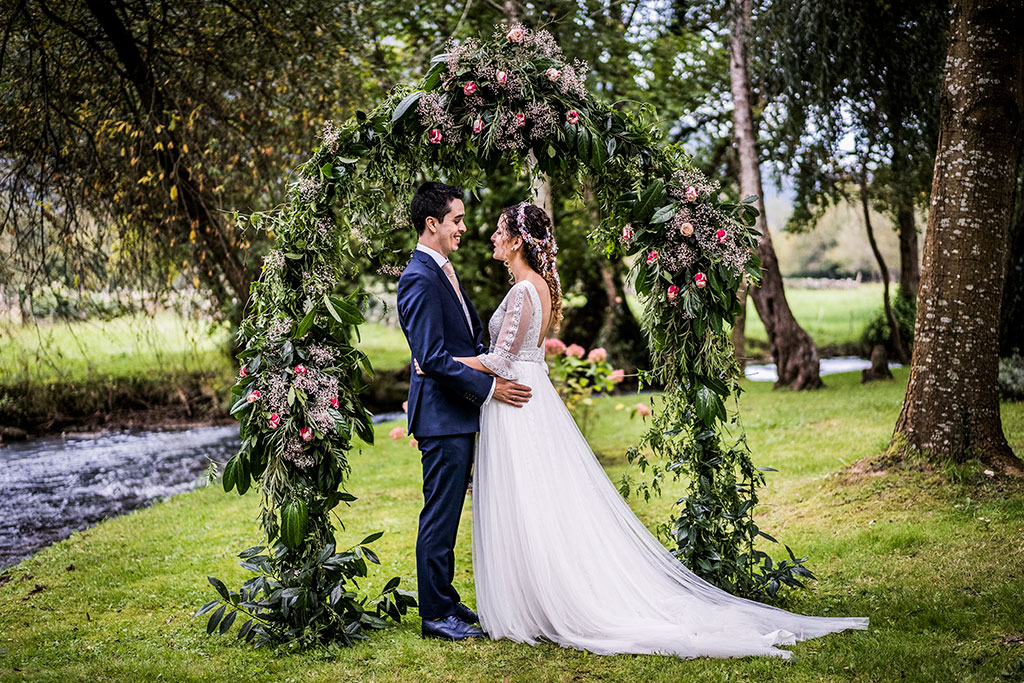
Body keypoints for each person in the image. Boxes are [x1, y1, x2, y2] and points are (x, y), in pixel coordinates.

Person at [441, 200, 868, 659]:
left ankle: (545, 600)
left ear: (519, 240)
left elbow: (503, 361)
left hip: (517, 397)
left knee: (529, 497)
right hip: (524, 395)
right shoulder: (536, 286)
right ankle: (534, 595)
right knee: (534, 498)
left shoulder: (527, 290)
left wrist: (440, 364)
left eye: (500, 231)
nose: (492, 237)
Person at [396, 182, 532, 642]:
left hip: (456, 412)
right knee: (440, 514)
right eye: (456, 219)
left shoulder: (441, 272)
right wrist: (491, 386)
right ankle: (435, 615)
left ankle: (447, 600)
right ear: (432, 224)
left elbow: (465, 342)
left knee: (450, 512)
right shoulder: (417, 278)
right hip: (441, 417)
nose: (463, 228)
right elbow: (432, 358)